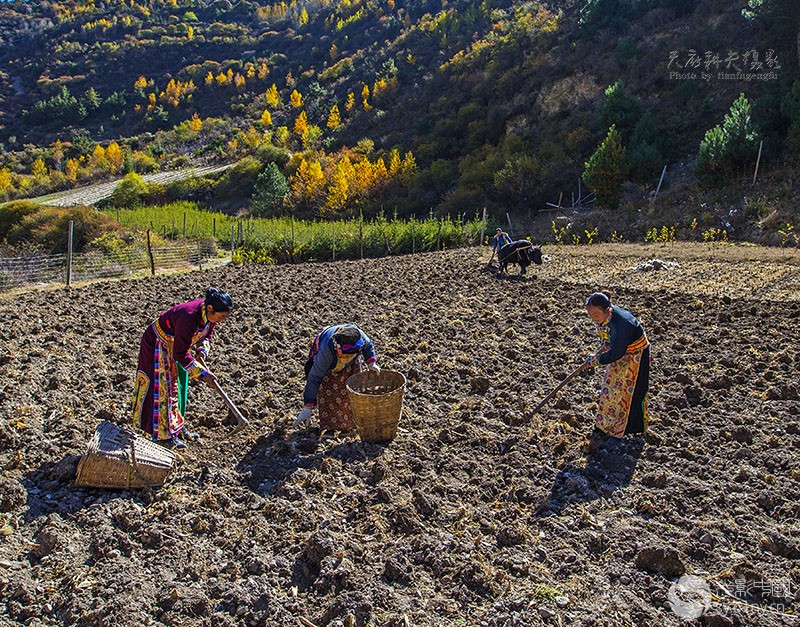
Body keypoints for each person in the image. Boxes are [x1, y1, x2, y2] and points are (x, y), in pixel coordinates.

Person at [131, 287, 233, 449]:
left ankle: (175, 428)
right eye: (221, 316)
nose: (221, 320)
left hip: (173, 345)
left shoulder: (209, 315)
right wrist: (203, 374)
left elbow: (207, 334)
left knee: (173, 388)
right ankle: (162, 436)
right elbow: (180, 353)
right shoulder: (189, 316)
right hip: (158, 344)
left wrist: (202, 351)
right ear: (210, 308)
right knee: (161, 389)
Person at [584, 291, 650, 439]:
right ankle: (606, 424)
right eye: (590, 315)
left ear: (607, 310)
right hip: (620, 351)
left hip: (636, 355)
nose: (593, 319)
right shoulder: (606, 319)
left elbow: (616, 353)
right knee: (612, 387)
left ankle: (630, 429)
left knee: (631, 392)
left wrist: (597, 360)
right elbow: (611, 343)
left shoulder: (622, 324)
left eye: (595, 315)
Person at [294, 324, 380, 433]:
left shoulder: (360, 339)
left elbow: (368, 346)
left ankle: (353, 425)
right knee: (329, 393)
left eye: (351, 355)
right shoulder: (326, 351)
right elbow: (314, 378)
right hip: (330, 367)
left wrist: (371, 362)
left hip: (350, 366)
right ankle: (331, 428)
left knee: (352, 390)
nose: (347, 358)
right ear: (337, 347)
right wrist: (308, 406)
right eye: (345, 355)